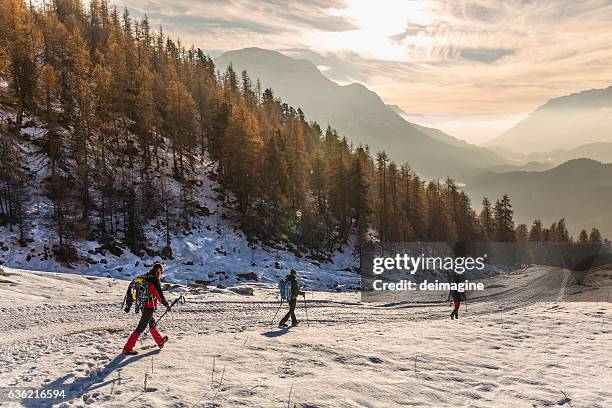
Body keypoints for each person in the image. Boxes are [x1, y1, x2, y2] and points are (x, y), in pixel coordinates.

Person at [122, 263, 171, 354]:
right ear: (159, 271)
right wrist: (167, 305)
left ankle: (160, 341)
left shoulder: (145, 277)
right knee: (141, 327)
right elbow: (159, 295)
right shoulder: (154, 280)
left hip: (142, 305)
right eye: (161, 272)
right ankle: (127, 348)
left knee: (152, 323)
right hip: (149, 307)